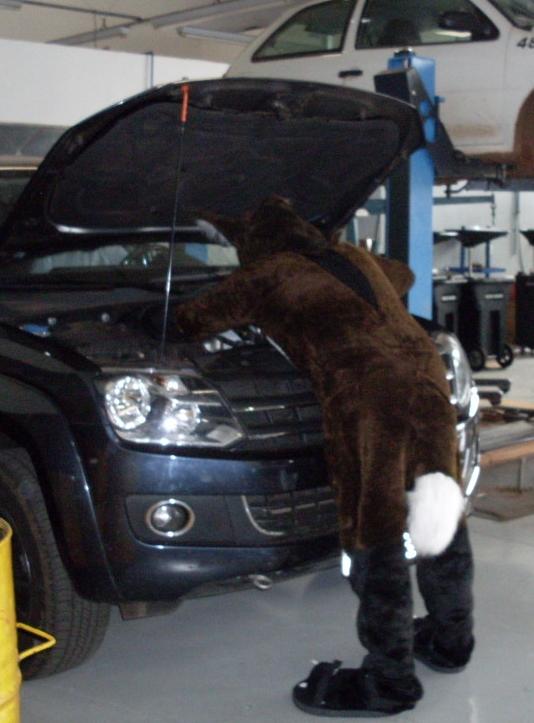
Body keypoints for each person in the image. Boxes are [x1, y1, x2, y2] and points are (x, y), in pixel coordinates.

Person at [172, 196, 474, 717]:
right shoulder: (353, 258)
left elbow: (191, 321)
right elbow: (401, 275)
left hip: (367, 394)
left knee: (374, 528)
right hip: (426, 376)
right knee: (439, 503)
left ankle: (389, 683)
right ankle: (451, 643)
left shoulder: (267, 274)